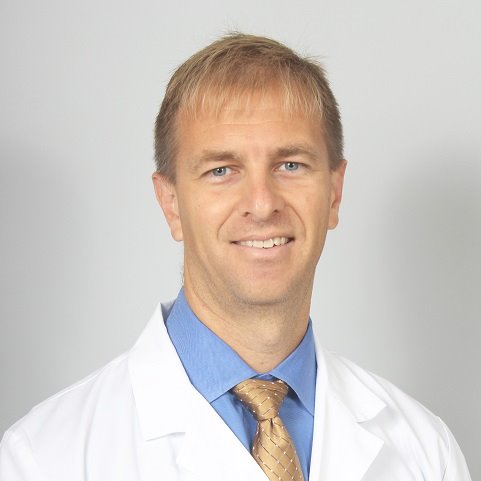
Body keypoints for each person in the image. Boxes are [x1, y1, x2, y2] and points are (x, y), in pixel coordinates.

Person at [0, 33, 472, 481]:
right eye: (221, 170)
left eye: (290, 165)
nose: (262, 204)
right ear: (171, 204)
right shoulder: (45, 457)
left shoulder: (424, 451)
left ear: (334, 193)